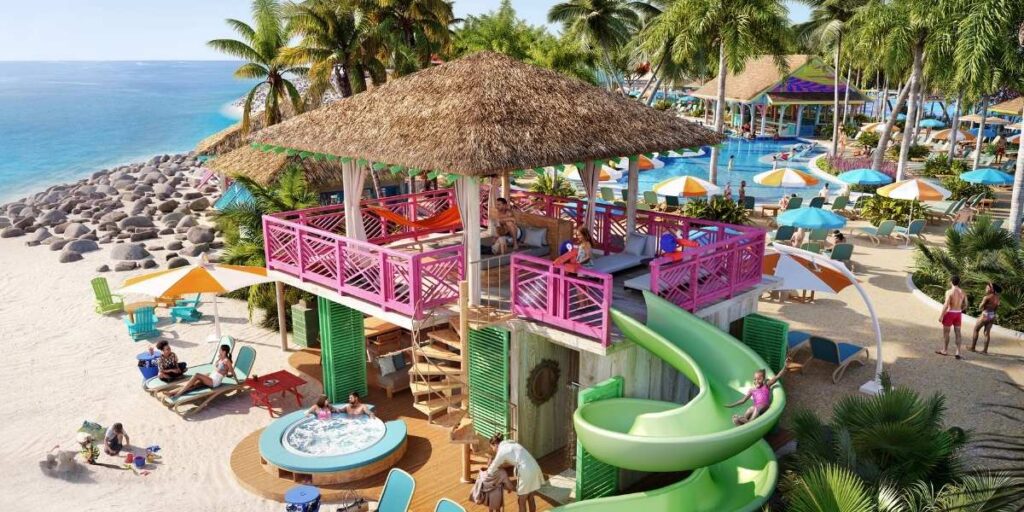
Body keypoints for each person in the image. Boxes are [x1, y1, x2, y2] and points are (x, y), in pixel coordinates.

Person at [487, 434, 544, 512]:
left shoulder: (502, 450)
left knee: (521, 501)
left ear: (495, 444)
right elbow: (515, 458)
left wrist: (485, 475)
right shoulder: (511, 443)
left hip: (526, 471)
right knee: (530, 497)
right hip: (534, 466)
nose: (493, 450)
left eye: (492, 447)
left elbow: (492, 467)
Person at [169, 343, 233, 398]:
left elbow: (231, 371)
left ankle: (179, 393)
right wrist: (219, 359)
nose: (219, 351)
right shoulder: (221, 359)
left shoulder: (227, 360)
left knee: (197, 375)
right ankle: (172, 392)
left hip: (214, 382)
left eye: (220, 350)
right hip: (211, 377)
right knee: (193, 384)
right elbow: (219, 367)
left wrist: (237, 381)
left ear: (224, 351)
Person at [937, 274, 968, 359]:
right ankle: (958, 352)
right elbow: (966, 305)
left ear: (951, 282)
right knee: (958, 333)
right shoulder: (963, 292)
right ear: (958, 282)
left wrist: (941, 315)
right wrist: (960, 308)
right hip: (958, 314)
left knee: (946, 333)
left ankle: (945, 350)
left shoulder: (949, 292)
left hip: (950, 313)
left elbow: (946, 304)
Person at [971, 282, 1001, 354]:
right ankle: (985, 351)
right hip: (992, 316)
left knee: (976, 329)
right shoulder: (997, 298)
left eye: (987, 288)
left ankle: (972, 348)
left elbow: (980, 307)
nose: (985, 289)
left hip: (985, 315)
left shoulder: (987, 297)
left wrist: (981, 305)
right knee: (987, 333)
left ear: (991, 289)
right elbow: (996, 308)